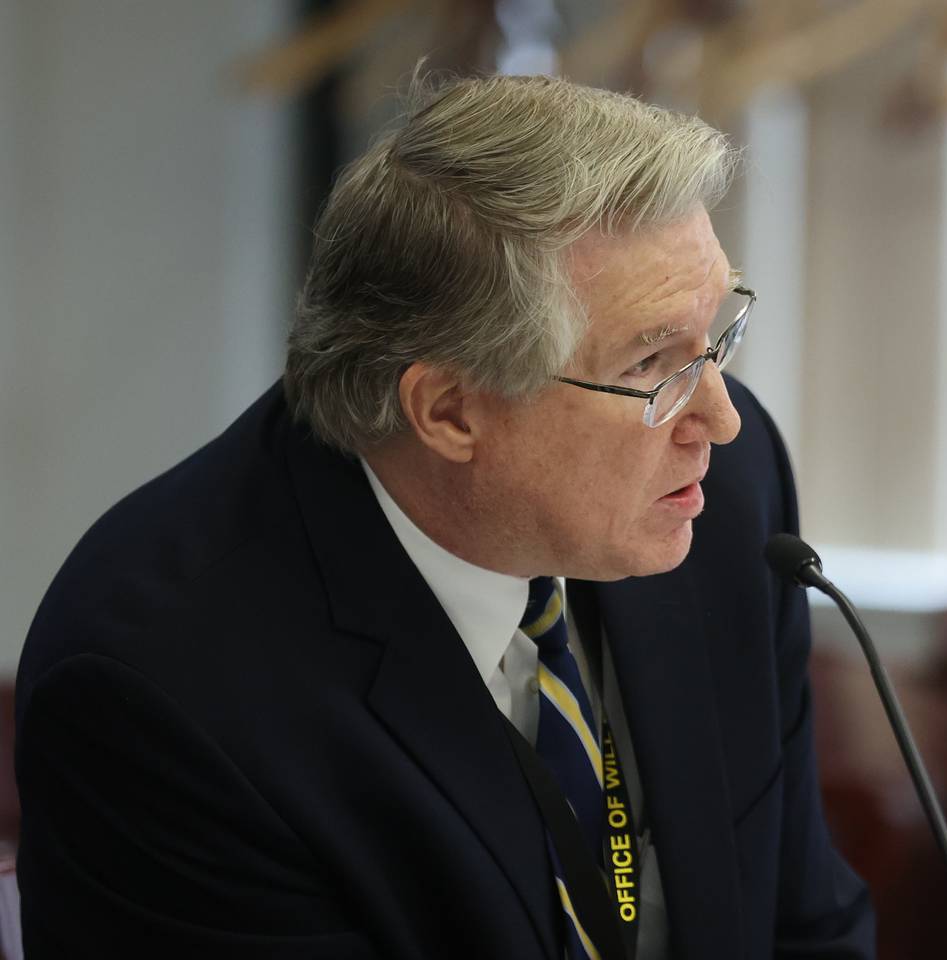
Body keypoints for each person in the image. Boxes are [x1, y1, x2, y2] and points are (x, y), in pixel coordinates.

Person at [14, 74, 874, 959]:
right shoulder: (161, 693)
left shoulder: (722, 499)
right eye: (653, 362)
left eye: (717, 336)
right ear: (450, 412)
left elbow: (805, 922)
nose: (720, 420)